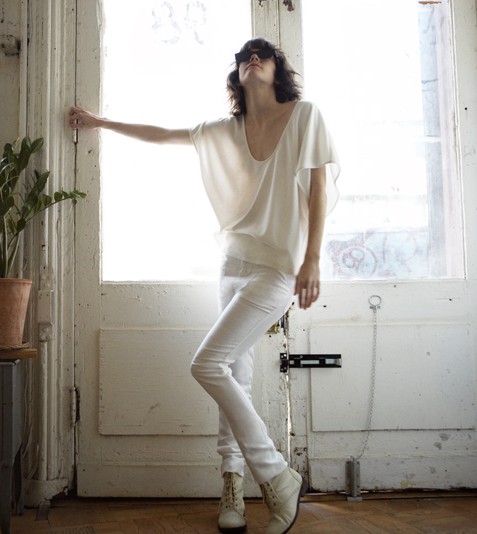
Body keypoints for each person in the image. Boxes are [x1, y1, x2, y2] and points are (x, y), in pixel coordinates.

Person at [68, 37, 340, 534]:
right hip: (233, 263)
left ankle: (277, 477)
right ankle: (231, 484)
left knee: (207, 363)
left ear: (277, 68)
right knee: (233, 372)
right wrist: (100, 122)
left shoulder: (304, 116)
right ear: (237, 74)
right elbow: (162, 134)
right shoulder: (225, 130)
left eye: (262, 54)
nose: (252, 59)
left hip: (277, 269)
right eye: (245, 56)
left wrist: (313, 258)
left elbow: (319, 186)